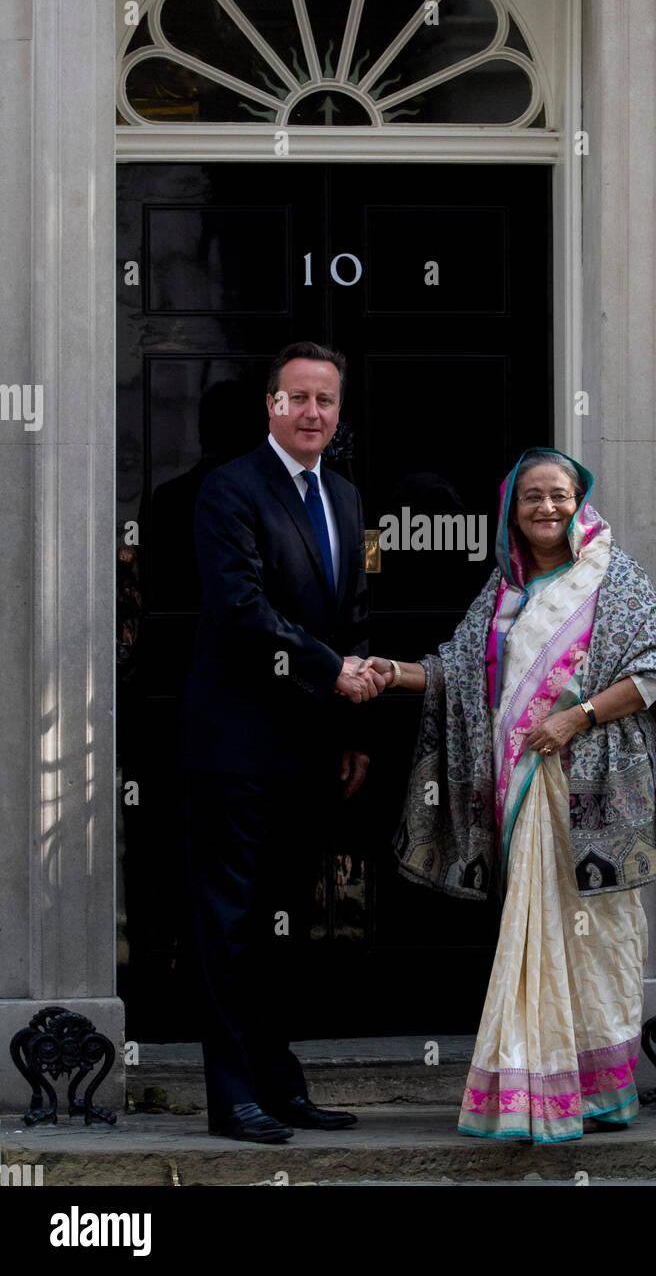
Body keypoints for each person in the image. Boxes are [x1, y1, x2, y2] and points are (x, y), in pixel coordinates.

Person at [367, 447, 656, 1143]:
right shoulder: (503, 590)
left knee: (600, 936)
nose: (547, 508)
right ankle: (531, 1086)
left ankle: (598, 1091)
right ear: (513, 511)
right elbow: (455, 672)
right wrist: (391, 672)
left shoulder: (613, 576)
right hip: (519, 787)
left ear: (580, 501)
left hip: (596, 788)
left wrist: (576, 717)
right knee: (531, 930)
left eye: (559, 495)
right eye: (532, 497)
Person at [179, 341, 386, 1144]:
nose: (310, 414)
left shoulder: (342, 495)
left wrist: (354, 726)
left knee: (283, 926)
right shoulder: (228, 490)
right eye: (295, 398)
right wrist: (333, 671)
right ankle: (232, 1099)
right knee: (228, 926)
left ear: (338, 413)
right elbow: (239, 609)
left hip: (310, 750)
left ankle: (277, 1082)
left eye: (324, 401)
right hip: (233, 748)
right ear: (270, 405)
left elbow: (355, 615)